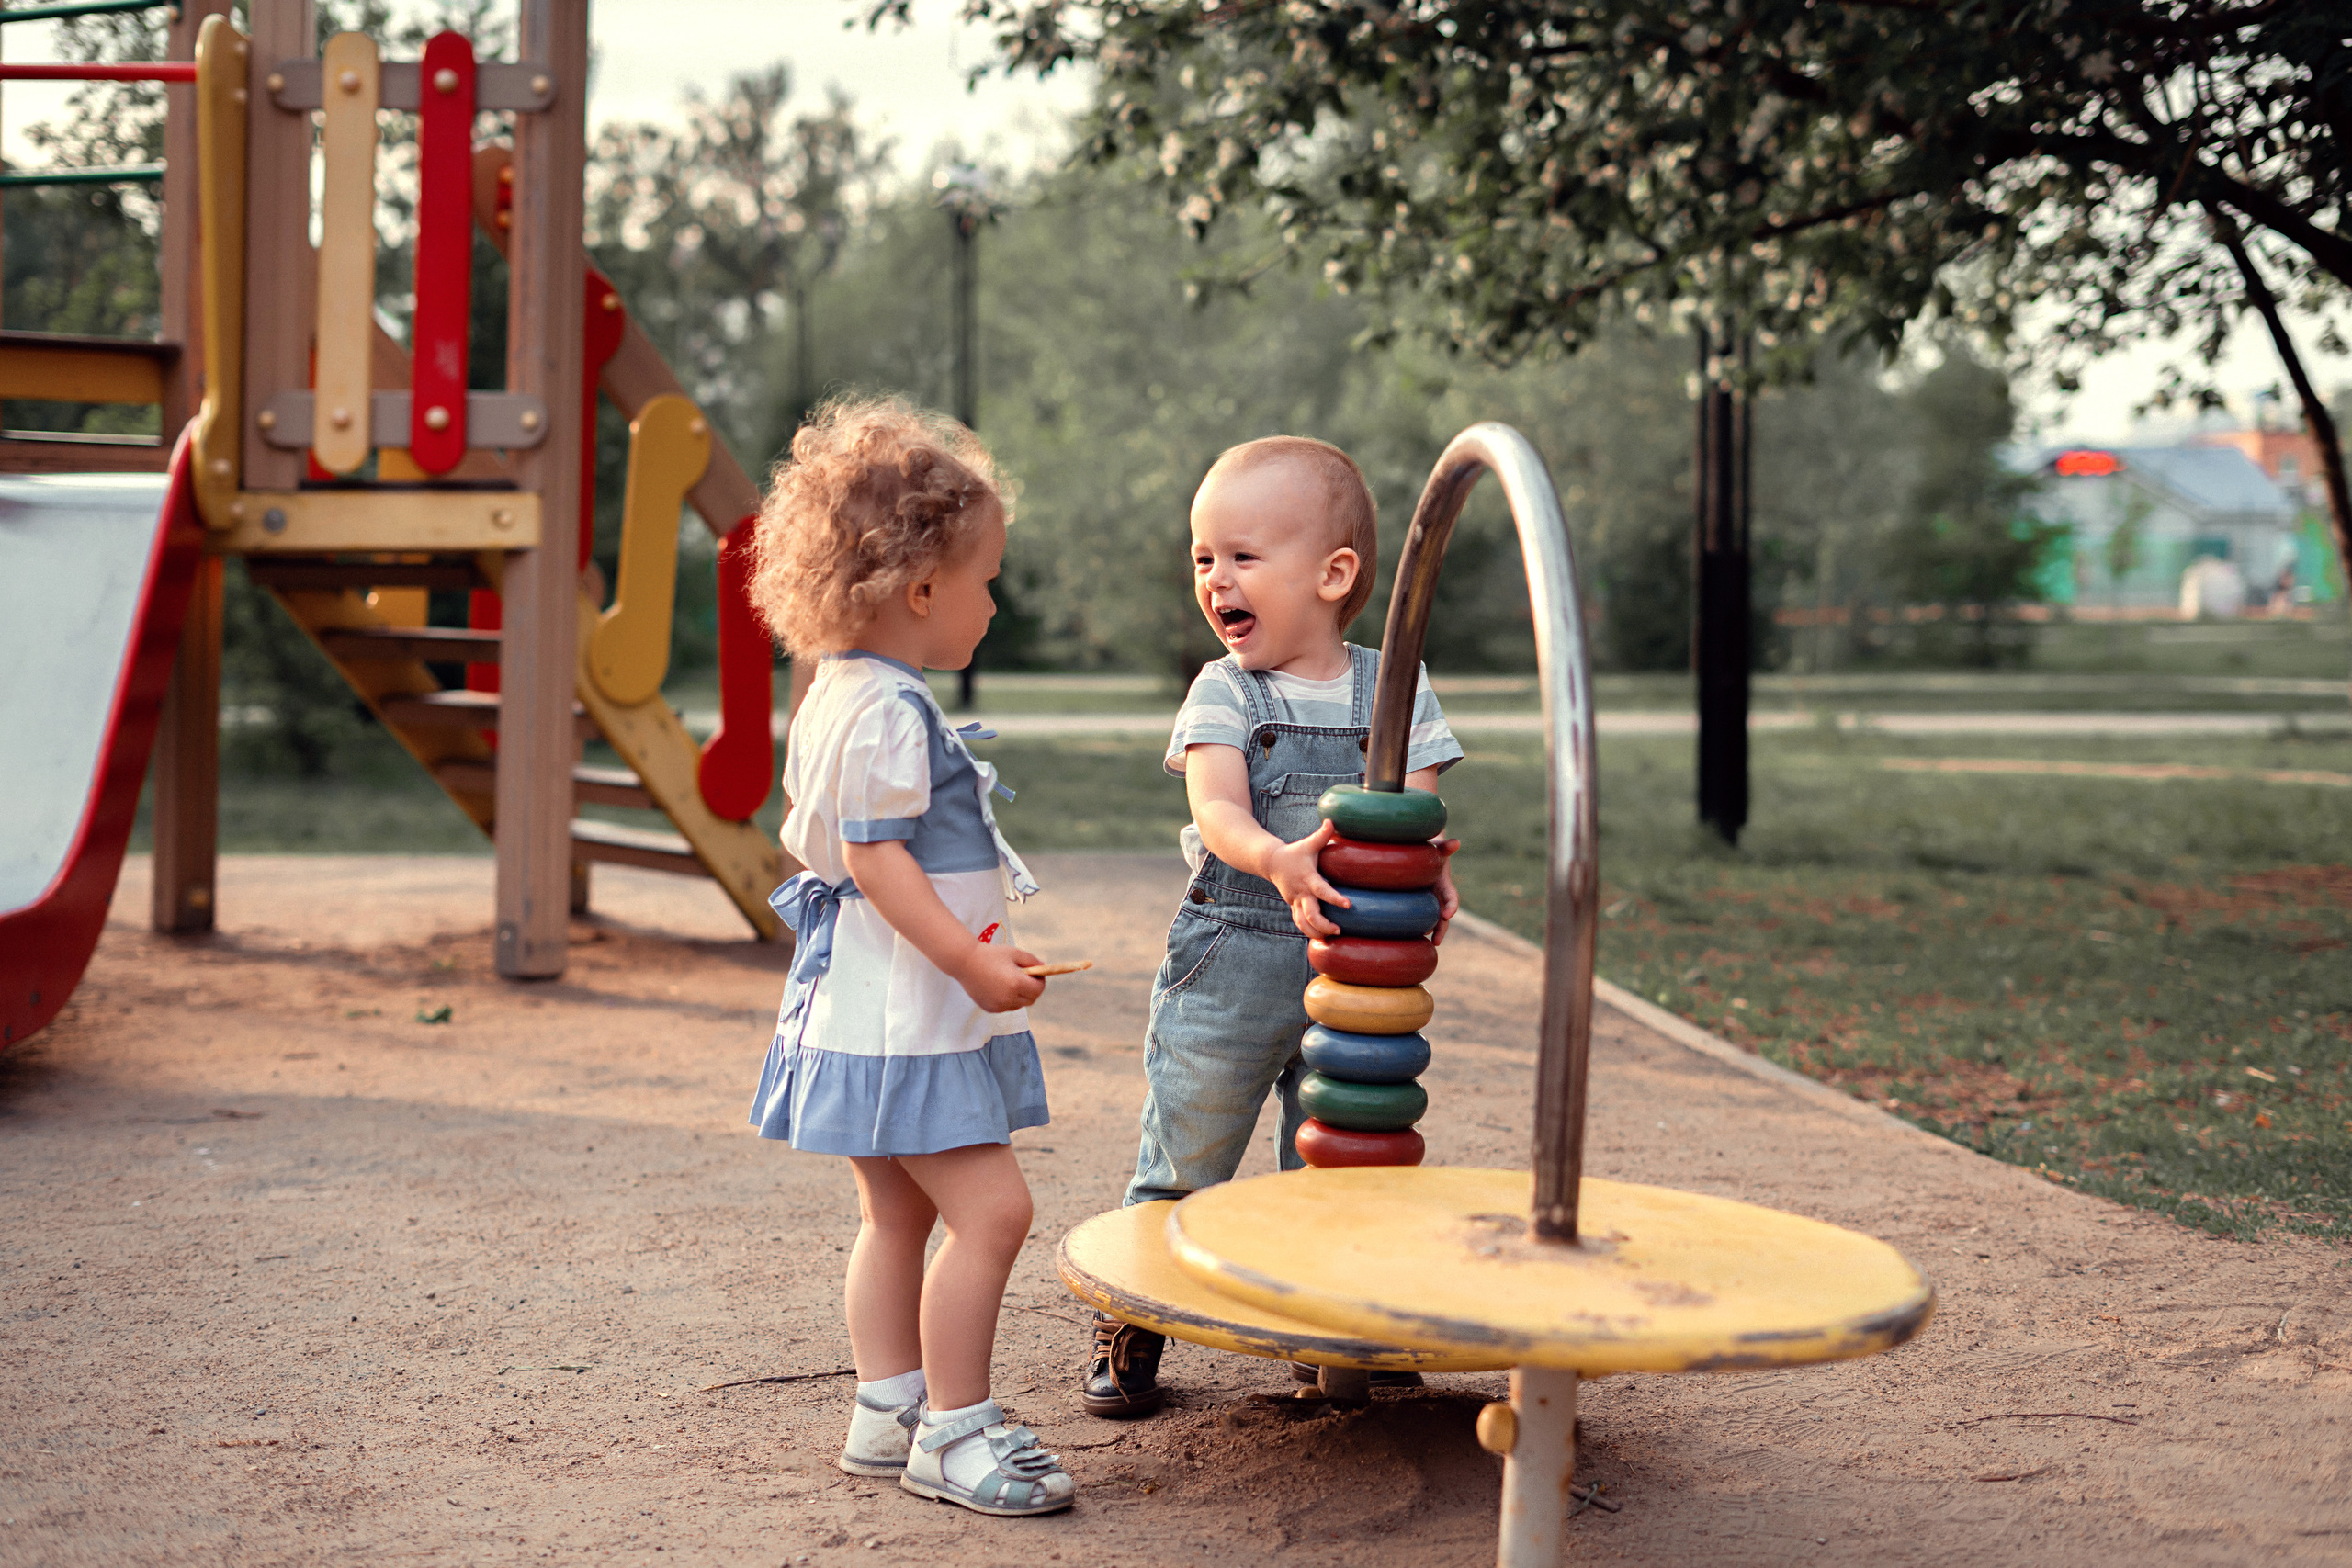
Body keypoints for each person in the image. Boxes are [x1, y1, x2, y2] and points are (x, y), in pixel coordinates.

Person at [1081, 436, 1464, 1418]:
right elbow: (1217, 810)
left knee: (1333, 1155)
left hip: (1361, 959)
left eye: (1242, 556)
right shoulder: (1223, 690)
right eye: (1203, 557)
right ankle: (1139, 1315)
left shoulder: (1396, 685)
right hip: (1234, 950)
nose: (1215, 578)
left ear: (1333, 576)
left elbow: (1413, 808)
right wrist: (1275, 858)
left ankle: (1327, 1330)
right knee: (1192, 1143)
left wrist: (1425, 873)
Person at [746, 396, 1075, 1517]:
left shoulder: (839, 689)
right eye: (984, 580)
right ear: (922, 591)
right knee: (994, 1216)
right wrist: (972, 964)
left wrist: (979, 946)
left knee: (895, 1215)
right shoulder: (890, 708)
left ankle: (887, 1411)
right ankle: (955, 1431)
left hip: (863, 1010)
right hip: (910, 1013)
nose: (992, 600)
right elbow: (881, 862)